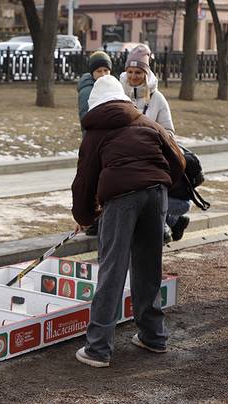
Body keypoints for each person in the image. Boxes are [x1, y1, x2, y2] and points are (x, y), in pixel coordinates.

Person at [72, 75, 185, 367]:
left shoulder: (95, 133)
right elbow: (178, 159)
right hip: (155, 196)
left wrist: (85, 216)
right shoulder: (147, 123)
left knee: (112, 268)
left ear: (96, 103)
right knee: (149, 266)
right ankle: (153, 335)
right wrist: (159, 183)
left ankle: (98, 348)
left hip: (121, 200)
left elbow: (83, 181)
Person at [120, 44, 190, 242]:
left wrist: (150, 142)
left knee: (156, 200)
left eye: (139, 72)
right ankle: (169, 223)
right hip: (124, 158)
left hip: (150, 159)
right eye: (130, 71)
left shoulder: (157, 99)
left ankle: (168, 221)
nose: (134, 76)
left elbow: (168, 131)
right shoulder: (118, 94)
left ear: (147, 73)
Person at [76, 51, 112, 237]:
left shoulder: (106, 87)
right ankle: (93, 220)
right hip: (93, 144)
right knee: (94, 183)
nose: (103, 74)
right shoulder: (88, 91)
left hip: (103, 143)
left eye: (106, 70)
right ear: (92, 73)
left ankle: (97, 219)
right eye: (99, 71)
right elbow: (87, 118)